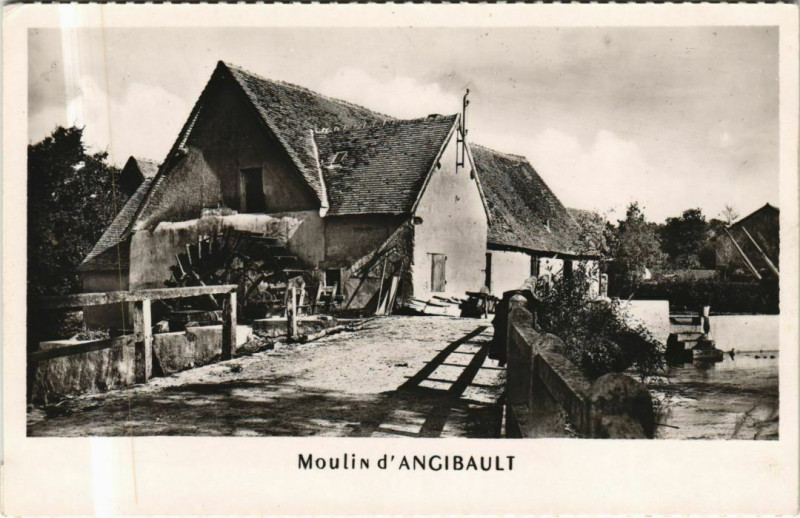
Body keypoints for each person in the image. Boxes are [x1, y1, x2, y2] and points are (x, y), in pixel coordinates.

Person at [490, 275, 547, 365]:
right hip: (510, 316)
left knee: (503, 334)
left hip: (504, 316)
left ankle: (502, 357)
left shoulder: (510, 294)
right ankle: (504, 357)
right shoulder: (527, 294)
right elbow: (538, 305)